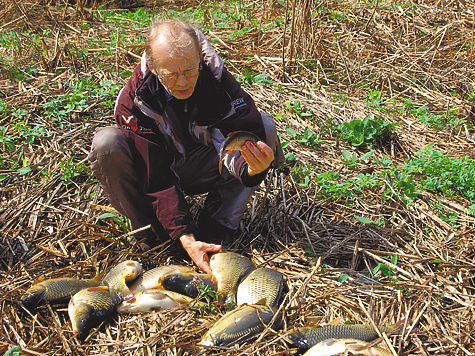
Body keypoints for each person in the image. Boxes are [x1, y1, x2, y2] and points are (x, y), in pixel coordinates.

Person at [88, 19, 284, 274]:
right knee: (107, 144)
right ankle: (153, 236)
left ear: (199, 60)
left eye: (190, 71)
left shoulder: (218, 81)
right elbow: (154, 173)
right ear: (155, 68)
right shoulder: (136, 98)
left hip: (199, 165)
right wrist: (184, 236)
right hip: (156, 171)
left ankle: (217, 227)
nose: (182, 82)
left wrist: (251, 169)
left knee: (265, 128)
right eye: (171, 74)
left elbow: (237, 136)